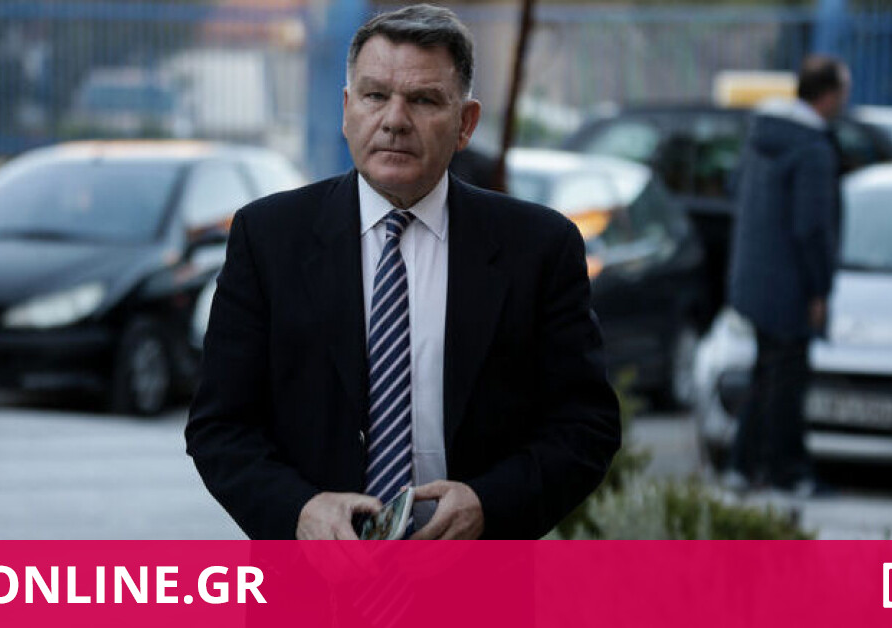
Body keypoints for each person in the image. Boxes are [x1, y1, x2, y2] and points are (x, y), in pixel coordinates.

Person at [185, 4, 620, 540]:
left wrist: (489, 505)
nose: (394, 120)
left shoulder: (538, 247)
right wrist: (299, 512)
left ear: (465, 124)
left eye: (423, 100)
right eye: (375, 96)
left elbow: (586, 425)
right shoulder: (268, 239)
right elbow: (220, 427)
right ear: (347, 110)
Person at [725, 55, 849, 496]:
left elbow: (734, 190)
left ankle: (743, 466)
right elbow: (812, 227)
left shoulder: (763, 136)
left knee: (766, 375)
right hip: (791, 284)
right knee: (787, 382)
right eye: (843, 91)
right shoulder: (812, 149)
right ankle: (789, 473)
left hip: (755, 280)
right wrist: (820, 288)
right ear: (828, 95)